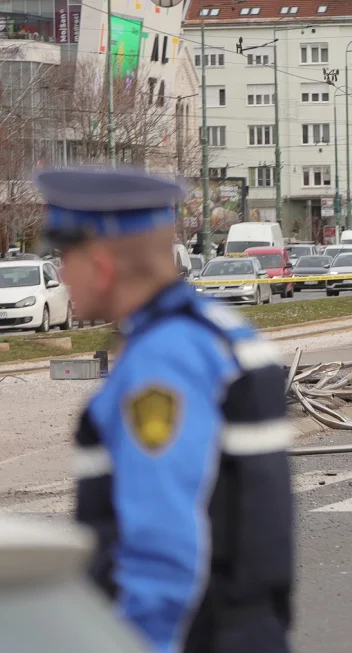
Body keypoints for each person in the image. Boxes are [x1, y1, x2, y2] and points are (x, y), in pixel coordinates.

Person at [36, 168, 295, 653]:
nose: (62, 275)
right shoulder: (213, 330)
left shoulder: (163, 359)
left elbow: (163, 544)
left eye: (65, 257)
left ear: (101, 263)